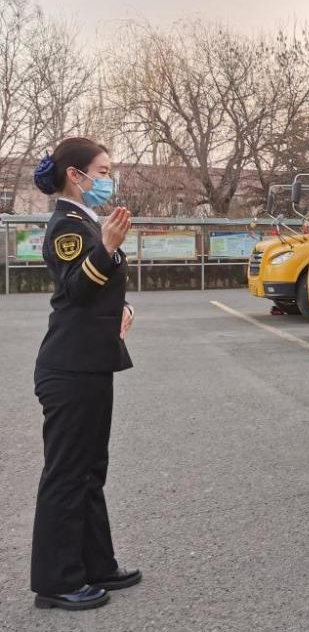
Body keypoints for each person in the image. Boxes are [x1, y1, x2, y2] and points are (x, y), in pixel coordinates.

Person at [29, 137, 143, 611]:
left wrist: (121, 308)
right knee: (67, 474)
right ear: (76, 175)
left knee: (91, 470)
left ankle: (95, 563)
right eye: (102, 169)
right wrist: (109, 249)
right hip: (70, 368)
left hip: (89, 364)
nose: (108, 177)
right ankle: (56, 582)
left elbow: (95, 292)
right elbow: (75, 289)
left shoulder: (85, 220)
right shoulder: (66, 224)